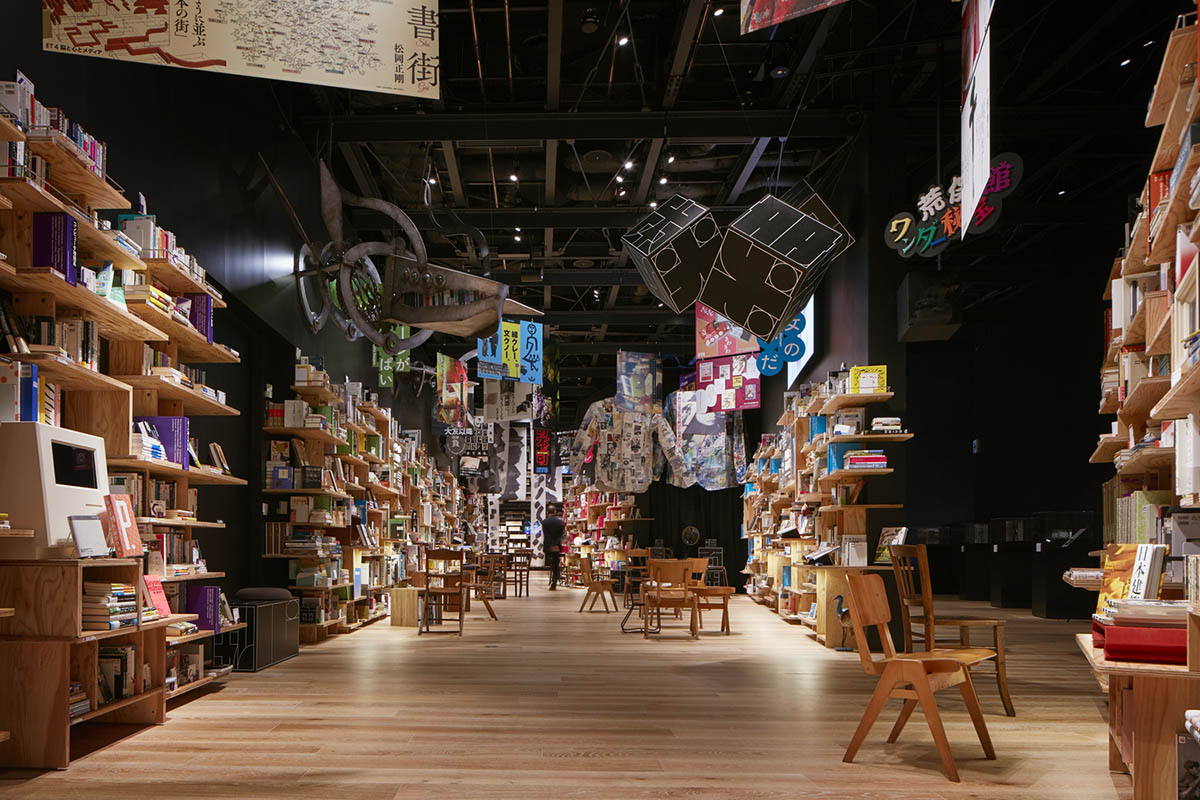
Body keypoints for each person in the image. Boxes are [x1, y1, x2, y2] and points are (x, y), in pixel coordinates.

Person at [542, 503, 565, 590]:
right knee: (556, 564)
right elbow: (561, 534)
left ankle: (552, 579)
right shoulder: (560, 522)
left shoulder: (545, 522)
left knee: (551, 564)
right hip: (557, 545)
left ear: (548, 512)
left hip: (548, 546)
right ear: (555, 511)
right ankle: (555, 580)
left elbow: (546, 535)